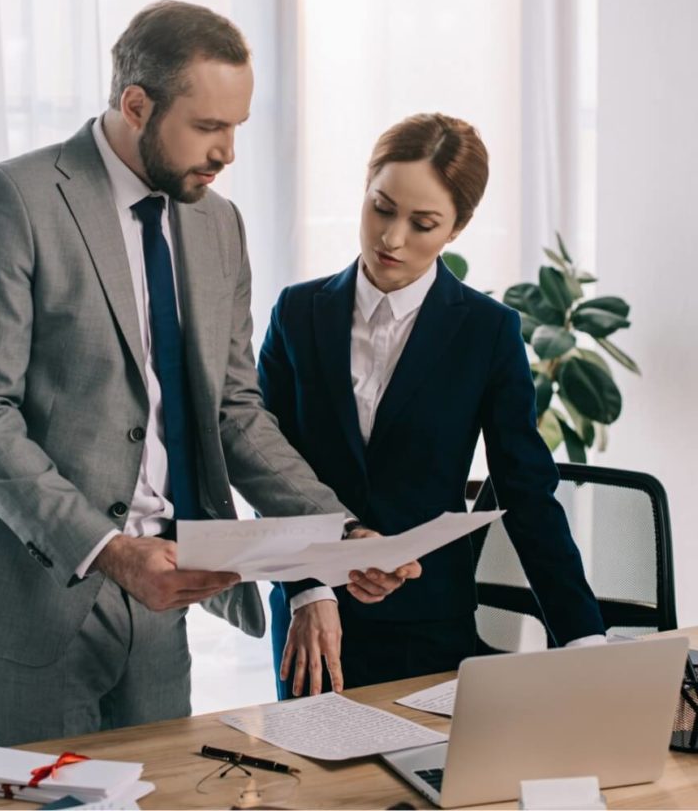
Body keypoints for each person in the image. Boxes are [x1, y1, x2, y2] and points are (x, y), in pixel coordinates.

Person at [0, 0, 419, 746]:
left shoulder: (219, 224)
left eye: (237, 128)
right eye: (209, 128)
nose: (227, 153)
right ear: (136, 105)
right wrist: (109, 551)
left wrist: (336, 534)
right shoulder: (10, 199)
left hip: (163, 601)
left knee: (157, 797)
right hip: (30, 596)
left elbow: (235, 411)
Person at [259, 113, 606, 699]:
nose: (392, 238)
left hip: (428, 624)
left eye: (423, 224)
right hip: (315, 615)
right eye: (381, 207)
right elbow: (266, 463)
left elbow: (525, 489)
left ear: (457, 227)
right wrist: (310, 588)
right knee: (315, 790)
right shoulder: (298, 312)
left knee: (432, 785)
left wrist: (582, 638)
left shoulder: (489, 332)